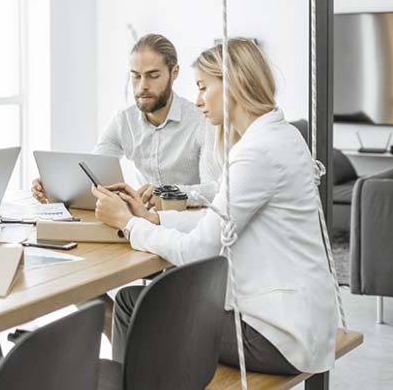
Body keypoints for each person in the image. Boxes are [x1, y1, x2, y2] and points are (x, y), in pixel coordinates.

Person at [93, 39, 338, 375]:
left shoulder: (256, 154)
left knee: (132, 305)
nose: (197, 100)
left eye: (203, 87)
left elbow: (197, 252)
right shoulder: (281, 136)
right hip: (305, 321)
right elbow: (219, 220)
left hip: (279, 337)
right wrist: (153, 217)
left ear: (233, 85)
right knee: (145, 304)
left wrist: (130, 224)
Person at [32, 33, 218, 207]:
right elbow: (93, 170)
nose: (143, 86)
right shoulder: (124, 121)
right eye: (135, 76)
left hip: (190, 224)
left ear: (174, 72)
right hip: (142, 222)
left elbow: (214, 189)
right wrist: (57, 188)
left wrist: (168, 193)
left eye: (153, 76)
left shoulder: (201, 120)